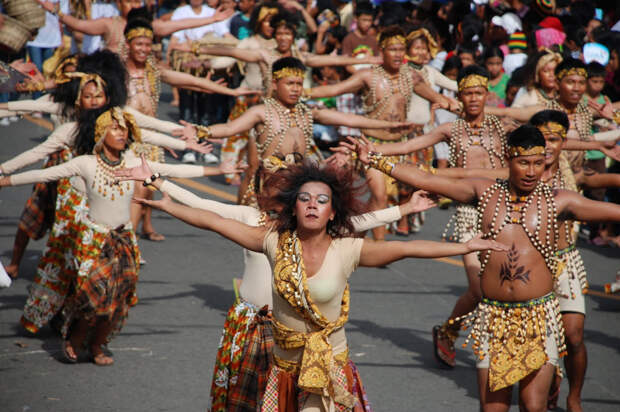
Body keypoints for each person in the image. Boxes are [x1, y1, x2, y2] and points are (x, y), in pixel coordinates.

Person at [120, 157, 506, 410]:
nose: (311, 204)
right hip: (283, 367)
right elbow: (213, 220)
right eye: (303, 198)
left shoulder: (349, 249)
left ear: (333, 210)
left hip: (326, 370)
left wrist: (463, 245)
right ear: (293, 206)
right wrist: (162, 193)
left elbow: (408, 250)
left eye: (320, 200)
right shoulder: (272, 241)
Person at [352, 125, 620, 412]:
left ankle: (571, 397)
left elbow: (612, 211)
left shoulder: (558, 201)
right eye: (523, 163)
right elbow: (425, 179)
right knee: (492, 408)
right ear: (508, 158)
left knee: (533, 405)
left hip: (538, 320)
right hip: (494, 318)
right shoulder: (486, 193)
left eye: (537, 164)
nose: (531, 172)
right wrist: (377, 160)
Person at [0, 107, 241, 365]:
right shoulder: (85, 163)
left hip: (124, 240)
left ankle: (97, 346)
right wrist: (4, 181)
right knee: (91, 299)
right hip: (94, 242)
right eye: (115, 128)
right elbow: (42, 174)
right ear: (101, 133)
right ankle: (75, 338)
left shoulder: (133, 163)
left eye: (124, 129)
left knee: (118, 301)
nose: (121, 133)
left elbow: (174, 171)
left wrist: (218, 170)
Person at [179, 56, 417, 207]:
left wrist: (388, 125)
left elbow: (351, 119)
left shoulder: (308, 112)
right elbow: (230, 128)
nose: (295, 89)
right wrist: (202, 131)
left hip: (299, 186)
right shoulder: (261, 112)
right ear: (274, 84)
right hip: (269, 186)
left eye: (298, 84)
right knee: (261, 246)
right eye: (289, 84)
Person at [306, 25, 458, 241]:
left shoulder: (412, 77)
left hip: (401, 145)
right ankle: (379, 245)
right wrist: (303, 93)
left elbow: (437, 98)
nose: (397, 54)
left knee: (400, 195)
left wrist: (458, 105)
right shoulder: (367, 76)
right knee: (379, 194)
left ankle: (357, 233)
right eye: (392, 49)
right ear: (382, 51)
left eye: (400, 49)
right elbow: (334, 90)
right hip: (372, 145)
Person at [36, 0, 235, 55]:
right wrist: (56, 12)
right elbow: (79, 25)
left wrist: (212, 19)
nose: (133, 6)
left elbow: (178, 24)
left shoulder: (148, 25)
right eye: (128, 2)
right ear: (119, 4)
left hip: (141, 82)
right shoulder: (109, 23)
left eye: (136, 2)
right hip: (113, 81)